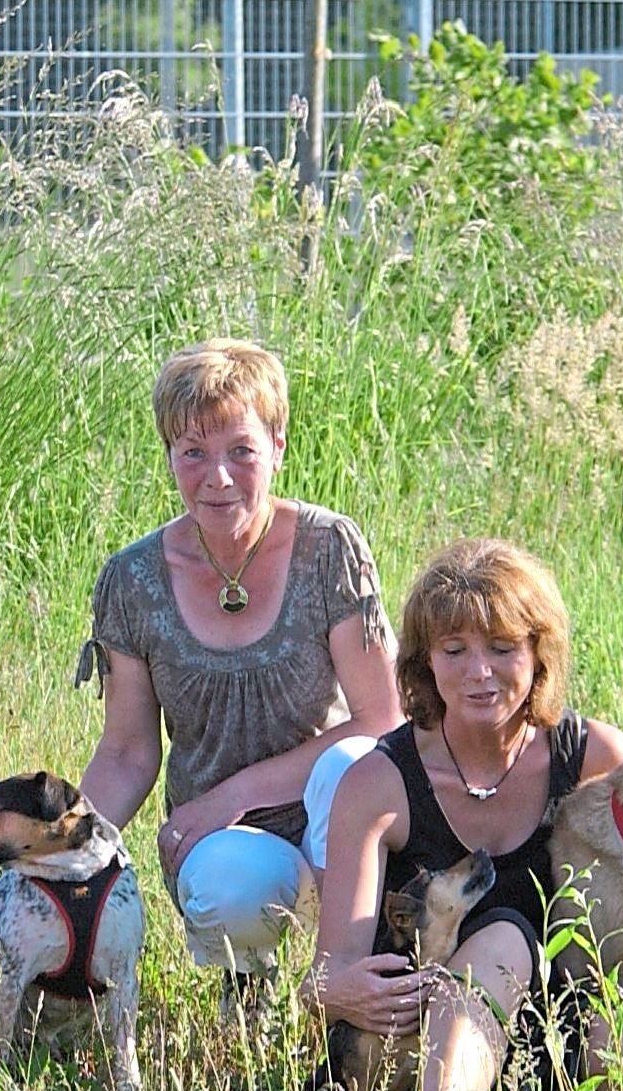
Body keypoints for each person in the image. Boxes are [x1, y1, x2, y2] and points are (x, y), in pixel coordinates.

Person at [307, 539, 623, 1091]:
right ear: (423, 663)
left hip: (565, 1043)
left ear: (538, 653)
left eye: (502, 649)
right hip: (427, 1039)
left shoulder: (596, 759)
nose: (479, 672)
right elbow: (324, 977)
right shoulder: (376, 784)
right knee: (503, 933)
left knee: (616, 1028)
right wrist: (356, 991)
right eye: (455, 651)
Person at [75, 340, 404, 984]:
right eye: (193, 453)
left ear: (278, 445)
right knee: (229, 885)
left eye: (241, 451)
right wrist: (62, 858)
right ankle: (247, 990)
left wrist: (235, 794)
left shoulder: (327, 548)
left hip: (337, 822)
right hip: (220, 844)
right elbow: (126, 755)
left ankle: (346, 979)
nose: (217, 478)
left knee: (349, 763)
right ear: (168, 455)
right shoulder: (133, 579)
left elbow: (382, 719)